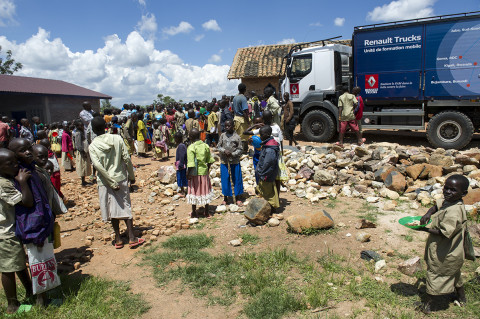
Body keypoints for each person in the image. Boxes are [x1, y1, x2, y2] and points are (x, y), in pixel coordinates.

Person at [9, 138, 54, 306]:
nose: (28, 152)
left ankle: (44, 297)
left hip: (42, 223)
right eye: (23, 150)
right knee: (38, 263)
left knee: (43, 260)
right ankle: (41, 301)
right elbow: (28, 205)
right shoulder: (21, 174)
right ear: (14, 155)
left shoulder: (32, 170)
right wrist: (37, 231)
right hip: (33, 227)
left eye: (29, 148)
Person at [416, 175, 469, 314]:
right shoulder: (451, 202)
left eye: (453, 190)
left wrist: (425, 229)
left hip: (445, 251)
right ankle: (462, 298)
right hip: (453, 251)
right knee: (454, 272)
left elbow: (444, 233)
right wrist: (428, 213)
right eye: (446, 188)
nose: (448, 192)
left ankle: (427, 305)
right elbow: (437, 206)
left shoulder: (454, 211)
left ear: (463, 193)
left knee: (435, 274)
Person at [88, 117, 144, 249]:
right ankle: (131, 237)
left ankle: (118, 238)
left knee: (110, 208)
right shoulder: (117, 139)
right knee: (125, 204)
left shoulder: (93, 146)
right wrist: (131, 175)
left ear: (93, 130)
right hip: (120, 177)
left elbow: (97, 165)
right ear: (105, 126)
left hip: (104, 181)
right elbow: (126, 158)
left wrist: (109, 181)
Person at [0, 148, 33, 314]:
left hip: (10, 230)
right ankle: (12, 305)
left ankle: (30, 290)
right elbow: (26, 202)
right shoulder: (4, 184)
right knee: (8, 268)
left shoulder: (4, 179)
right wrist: (23, 182)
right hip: (5, 233)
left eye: (15, 162)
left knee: (18, 262)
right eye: (10, 164)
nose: (15, 166)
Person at [186, 128, 215, 218]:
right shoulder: (206, 146)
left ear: (190, 137)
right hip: (204, 172)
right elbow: (210, 160)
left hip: (194, 174)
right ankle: (206, 212)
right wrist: (207, 169)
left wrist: (188, 174)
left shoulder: (191, 147)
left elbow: (191, 164)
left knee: (194, 191)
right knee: (205, 191)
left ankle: (194, 212)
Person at [217, 119, 244, 206]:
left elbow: (240, 149)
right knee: (225, 179)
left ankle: (238, 197)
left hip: (234, 161)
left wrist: (232, 154)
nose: (227, 127)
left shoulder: (237, 137)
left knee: (237, 178)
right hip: (224, 161)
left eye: (229, 126)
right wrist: (224, 151)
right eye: (225, 126)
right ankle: (226, 197)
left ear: (233, 126)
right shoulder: (222, 136)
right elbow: (218, 146)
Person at [255, 126, 280, 213]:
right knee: (267, 190)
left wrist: (262, 174)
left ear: (267, 134)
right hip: (266, 173)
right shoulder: (268, 145)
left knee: (268, 193)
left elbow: (268, 163)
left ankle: (272, 209)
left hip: (266, 174)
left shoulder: (270, 149)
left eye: (261, 135)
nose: (260, 136)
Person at [232, 83, 250, 153]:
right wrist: (248, 121)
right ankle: (242, 152)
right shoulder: (243, 98)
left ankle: (237, 150)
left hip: (236, 118)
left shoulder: (235, 97)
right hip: (242, 120)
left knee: (237, 136)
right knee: (243, 137)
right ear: (245, 89)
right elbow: (245, 111)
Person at [73, 120, 92, 186]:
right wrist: (83, 152)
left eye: (82, 125)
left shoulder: (81, 132)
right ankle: (83, 182)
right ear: (77, 126)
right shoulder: (78, 133)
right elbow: (78, 145)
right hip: (82, 152)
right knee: (82, 166)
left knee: (84, 166)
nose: (82, 127)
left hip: (84, 151)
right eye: (80, 126)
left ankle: (84, 181)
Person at [174, 132, 188, 197]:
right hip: (181, 164)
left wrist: (181, 164)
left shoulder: (181, 146)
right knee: (182, 177)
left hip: (181, 165)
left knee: (181, 178)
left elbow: (182, 156)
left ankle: (183, 192)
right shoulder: (181, 145)